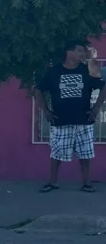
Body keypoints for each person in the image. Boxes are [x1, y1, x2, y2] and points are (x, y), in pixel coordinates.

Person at [36, 41, 105, 193]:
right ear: (69, 52)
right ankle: (52, 182)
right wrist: (45, 110)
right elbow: (39, 90)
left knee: (85, 153)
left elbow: (103, 85)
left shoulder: (86, 70)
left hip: (84, 120)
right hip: (60, 120)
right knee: (57, 152)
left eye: (83, 51)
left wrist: (96, 108)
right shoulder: (54, 72)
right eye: (79, 51)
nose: (82, 54)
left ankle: (86, 183)